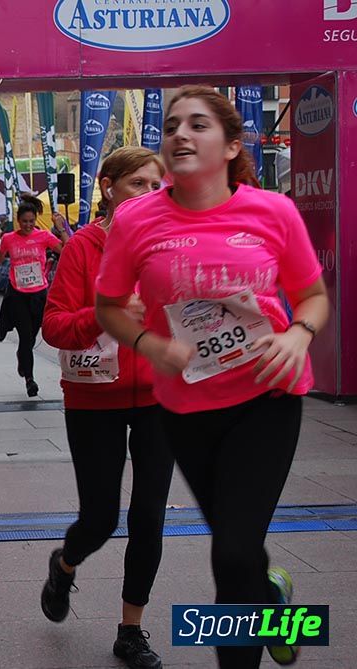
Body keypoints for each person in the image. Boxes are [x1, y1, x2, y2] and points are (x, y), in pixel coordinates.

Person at [94, 85, 329, 669]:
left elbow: (313, 296)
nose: (180, 133)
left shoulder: (272, 211)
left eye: (198, 124)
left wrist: (299, 334)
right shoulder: (136, 219)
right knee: (239, 552)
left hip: (267, 395)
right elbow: (109, 307)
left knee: (231, 555)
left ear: (230, 145)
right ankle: (275, 603)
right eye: (172, 125)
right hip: (186, 406)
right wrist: (151, 345)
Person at [41, 147, 172, 669]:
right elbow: (54, 327)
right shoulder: (83, 247)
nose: (149, 194)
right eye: (138, 184)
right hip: (94, 397)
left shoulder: (171, 246)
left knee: (149, 517)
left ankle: (130, 631)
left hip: (160, 396)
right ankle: (65, 565)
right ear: (108, 187)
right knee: (100, 519)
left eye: (156, 186)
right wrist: (106, 314)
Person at [0, 197, 70, 397]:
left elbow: (68, 251)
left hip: (38, 294)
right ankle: (30, 379)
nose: (28, 225)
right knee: (25, 335)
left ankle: (22, 355)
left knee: (31, 336)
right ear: (18, 220)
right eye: (24, 221)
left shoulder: (43, 236)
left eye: (31, 221)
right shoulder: (9, 238)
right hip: (18, 295)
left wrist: (61, 228)